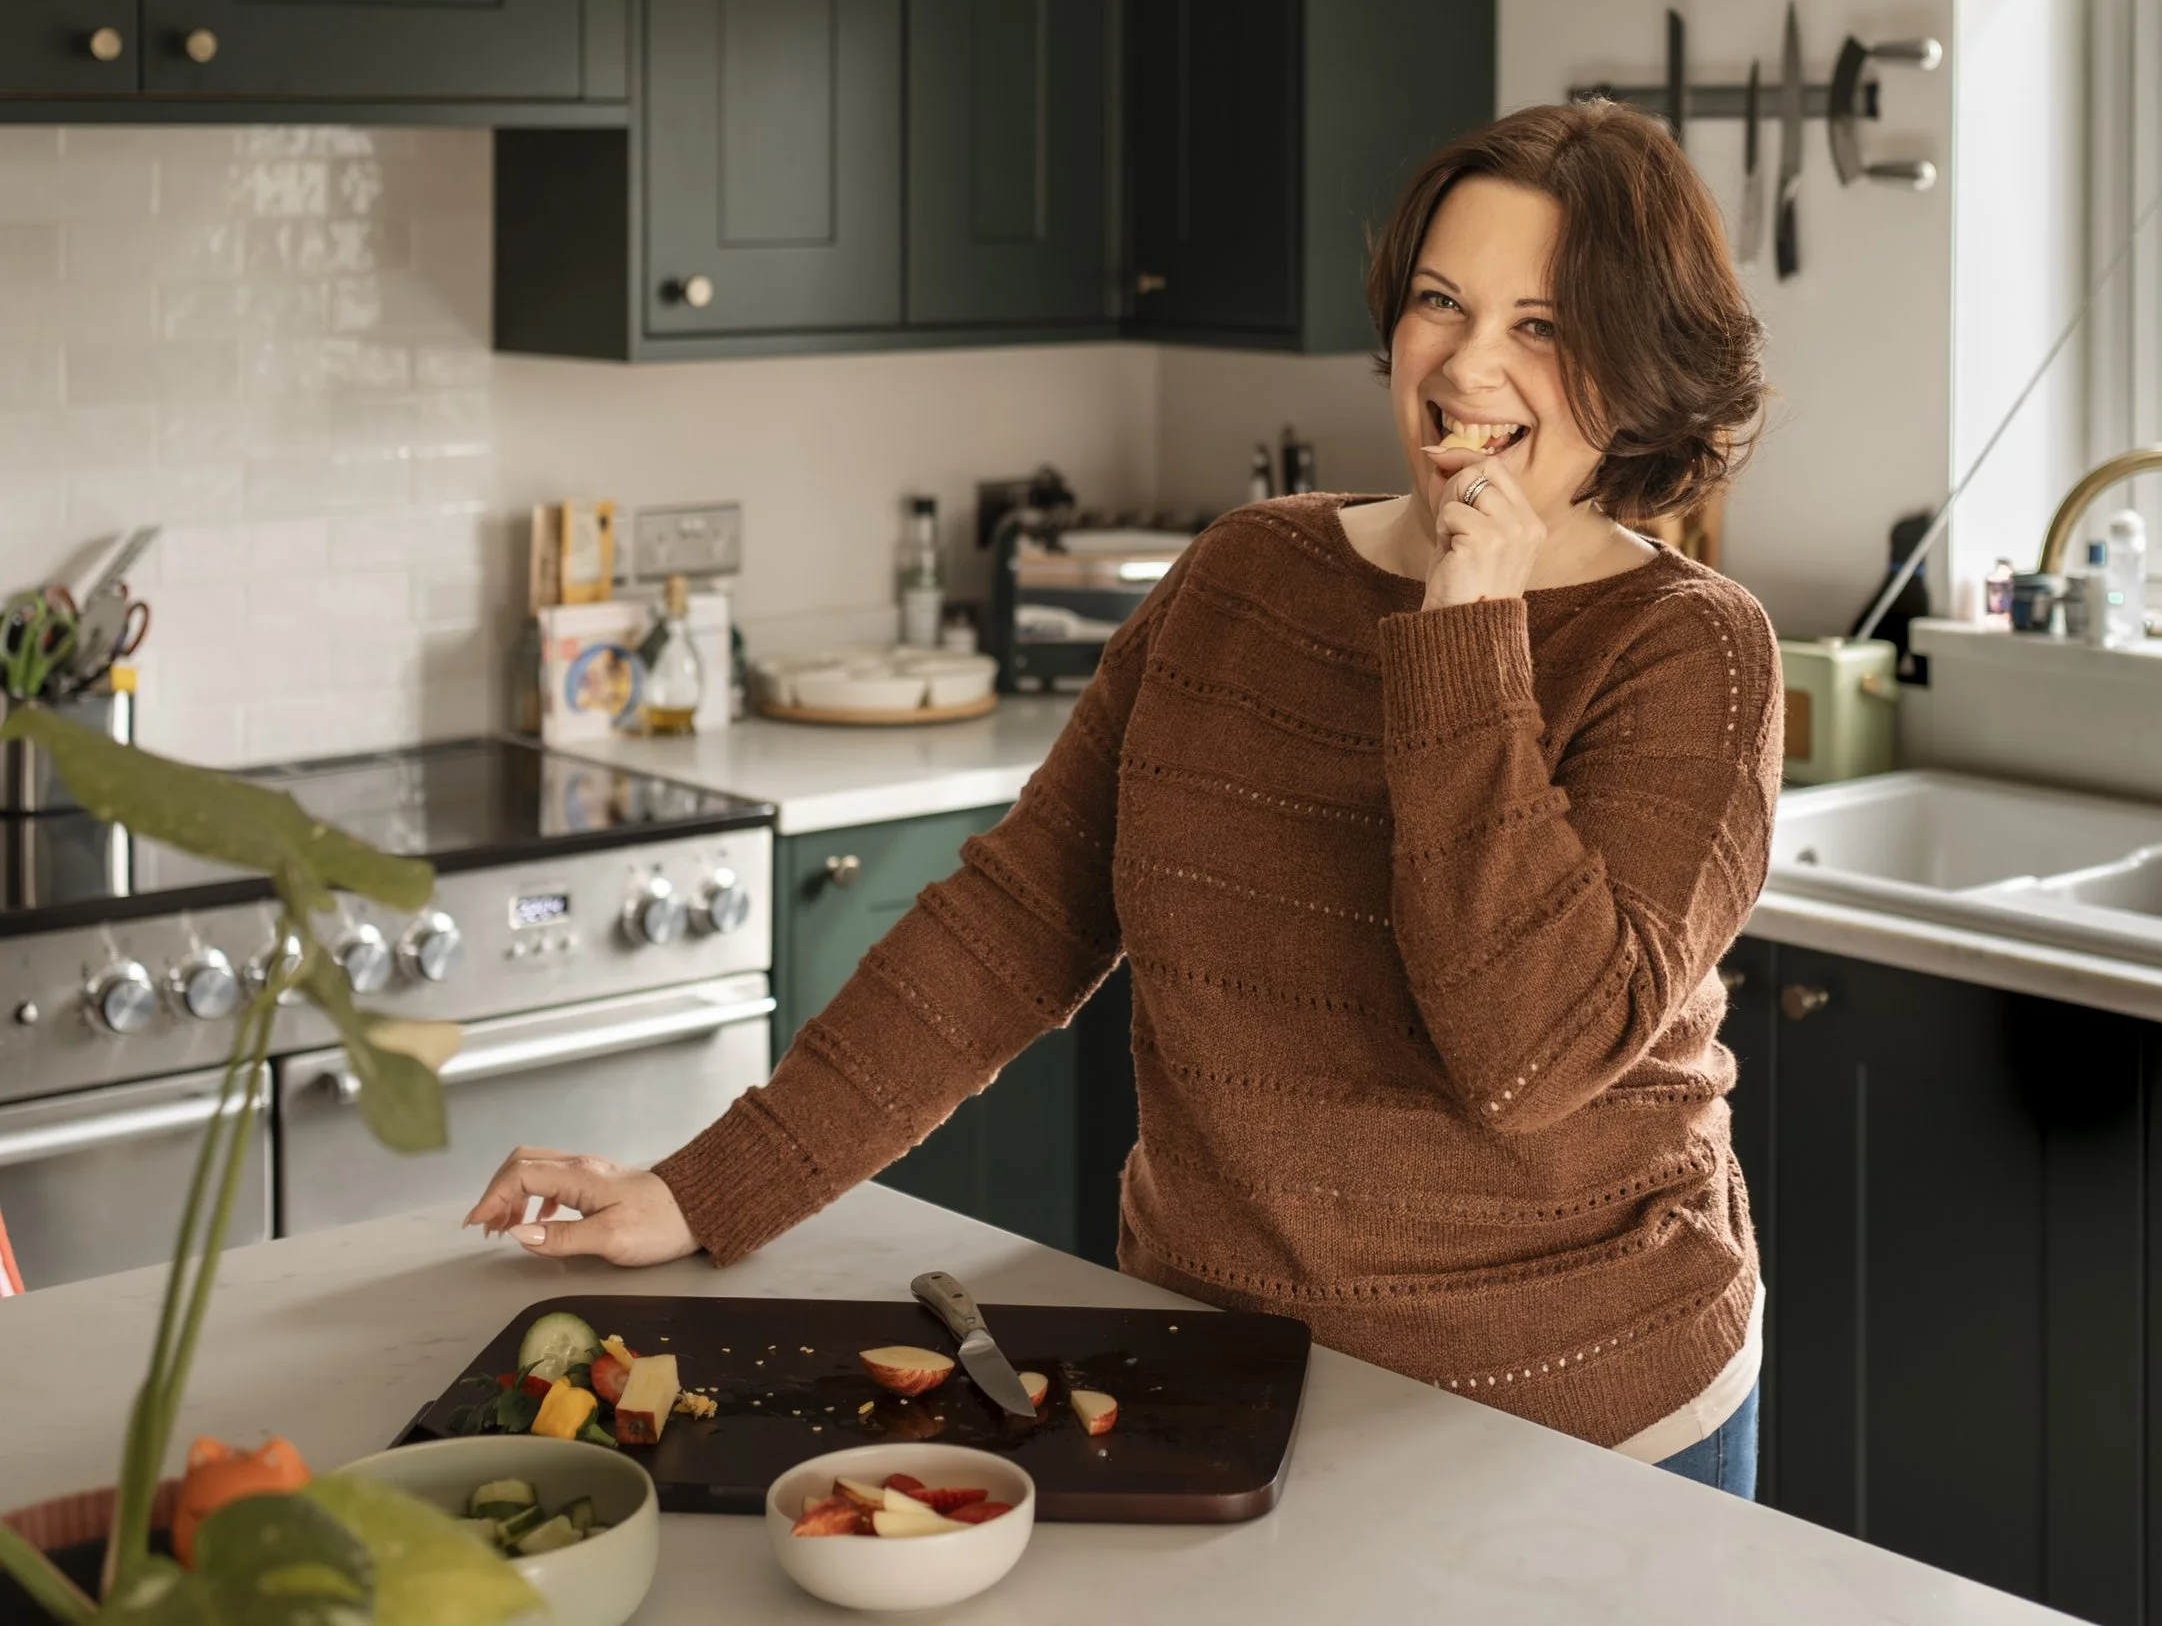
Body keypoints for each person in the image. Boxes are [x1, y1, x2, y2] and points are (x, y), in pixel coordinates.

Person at [466, 100, 1780, 1496]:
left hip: (1581, 1428)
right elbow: (1016, 919)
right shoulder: (1245, 576)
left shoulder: (1692, 650)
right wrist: (707, 1185)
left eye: (1541, 324)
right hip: (1221, 1375)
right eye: (1440, 301)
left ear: (1637, 373)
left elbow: (1523, 1057)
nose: (1465, 364)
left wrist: (1469, 632)